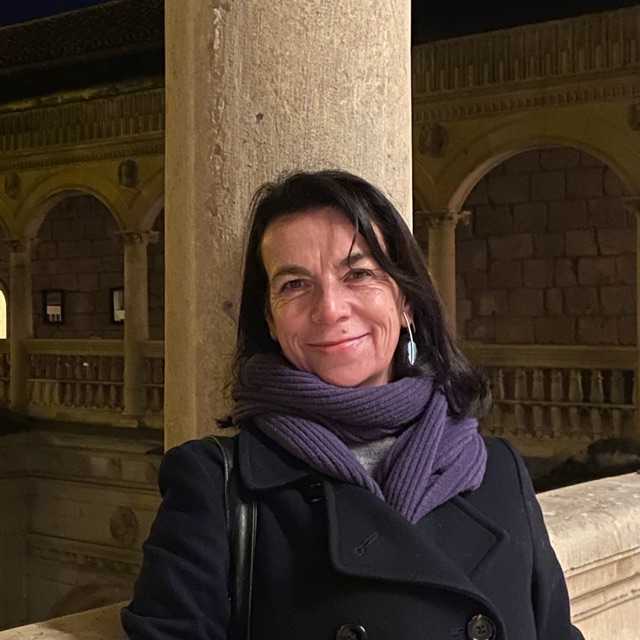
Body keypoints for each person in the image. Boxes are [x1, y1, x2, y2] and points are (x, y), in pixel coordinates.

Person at [122, 170, 584, 640]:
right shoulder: (214, 485)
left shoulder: (499, 471)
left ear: (406, 301)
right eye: (294, 285)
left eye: (358, 274)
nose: (330, 309)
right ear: (271, 320)